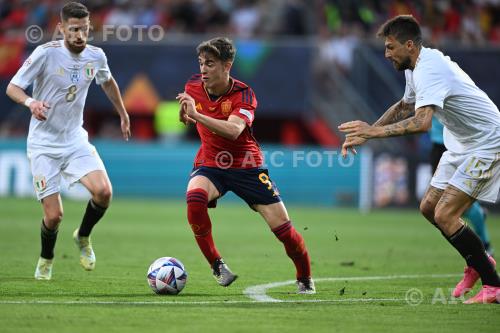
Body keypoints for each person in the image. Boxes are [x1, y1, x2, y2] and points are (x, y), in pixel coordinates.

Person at [338, 15, 500, 304]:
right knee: (428, 208)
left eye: (390, 48)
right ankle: (479, 260)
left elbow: (422, 123)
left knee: (445, 215)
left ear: (409, 45)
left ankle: (494, 286)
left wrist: (373, 133)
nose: (386, 54)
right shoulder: (414, 67)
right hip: (461, 143)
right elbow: (404, 106)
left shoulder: (430, 70)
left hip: (488, 142)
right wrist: (368, 132)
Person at [176, 37, 315, 294]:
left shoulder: (244, 94)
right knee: (194, 198)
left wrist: (196, 114)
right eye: (201, 63)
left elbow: (233, 130)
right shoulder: (193, 86)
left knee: (284, 231)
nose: (203, 69)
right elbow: (187, 118)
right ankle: (218, 265)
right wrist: (185, 114)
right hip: (211, 163)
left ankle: (304, 276)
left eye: (210, 63)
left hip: (247, 165)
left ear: (227, 65)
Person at [6, 2, 130, 280]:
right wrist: (31, 102)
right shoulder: (45, 54)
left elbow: (107, 82)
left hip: (75, 140)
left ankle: (83, 237)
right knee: (53, 217)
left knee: (104, 193)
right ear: (61, 28)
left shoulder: (96, 56)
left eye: (84, 29)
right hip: (43, 145)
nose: (79, 35)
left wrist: (122, 113)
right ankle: (46, 257)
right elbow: (13, 87)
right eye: (74, 29)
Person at [430, 116, 494, 256]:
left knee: (458, 203)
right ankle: (478, 215)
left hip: (458, 146)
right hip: (438, 145)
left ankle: (485, 246)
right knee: (437, 203)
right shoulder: (423, 97)